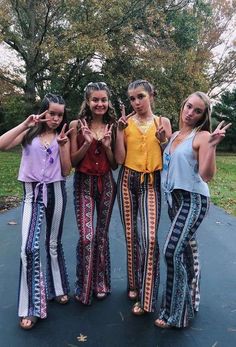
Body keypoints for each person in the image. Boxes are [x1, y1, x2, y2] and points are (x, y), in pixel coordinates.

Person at [154, 91, 232, 329]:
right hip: (174, 200)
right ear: (183, 105)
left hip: (193, 201)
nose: (190, 113)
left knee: (171, 252)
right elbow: (172, 164)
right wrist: (162, 142)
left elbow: (206, 175)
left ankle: (177, 312)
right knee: (187, 254)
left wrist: (213, 147)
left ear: (202, 115)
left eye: (197, 111)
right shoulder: (176, 135)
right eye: (189, 107)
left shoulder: (203, 136)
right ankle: (191, 299)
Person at [0, 93, 73, 330]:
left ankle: (58, 288)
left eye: (59, 114)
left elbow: (66, 169)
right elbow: (2, 144)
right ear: (43, 112)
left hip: (57, 191)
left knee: (53, 243)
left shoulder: (64, 136)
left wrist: (63, 146)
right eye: (52, 113)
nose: (55, 118)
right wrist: (25, 123)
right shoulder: (29, 133)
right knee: (29, 247)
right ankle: (31, 307)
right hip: (32, 193)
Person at [115, 79, 172, 315]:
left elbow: (169, 154)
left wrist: (163, 140)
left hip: (151, 181)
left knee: (149, 238)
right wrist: (118, 132)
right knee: (131, 236)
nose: (136, 102)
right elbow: (119, 159)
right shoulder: (124, 123)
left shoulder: (163, 122)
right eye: (132, 98)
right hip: (127, 180)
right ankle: (133, 284)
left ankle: (147, 297)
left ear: (151, 96)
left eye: (141, 96)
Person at [69, 82, 117, 305]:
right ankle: (83, 286)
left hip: (106, 183)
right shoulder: (76, 126)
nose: (100, 104)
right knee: (87, 237)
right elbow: (72, 162)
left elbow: (116, 164)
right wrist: (87, 144)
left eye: (103, 100)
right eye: (95, 100)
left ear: (108, 102)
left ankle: (101, 283)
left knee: (101, 236)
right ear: (87, 102)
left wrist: (107, 146)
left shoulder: (114, 126)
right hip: (83, 184)